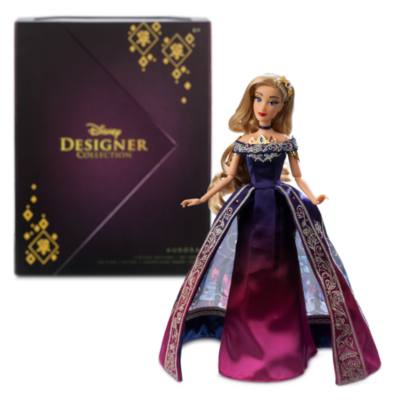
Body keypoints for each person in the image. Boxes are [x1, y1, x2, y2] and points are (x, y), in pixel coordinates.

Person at [159, 73, 381, 385]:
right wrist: (203, 198)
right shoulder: (243, 143)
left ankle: (286, 345)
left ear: (282, 108)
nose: (264, 106)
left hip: (280, 207)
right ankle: (245, 345)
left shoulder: (286, 141)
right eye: (259, 99)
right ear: (251, 101)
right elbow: (228, 177)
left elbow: (298, 175)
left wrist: (312, 195)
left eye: (273, 101)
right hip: (251, 208)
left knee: (283, 271)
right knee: (247, 272)